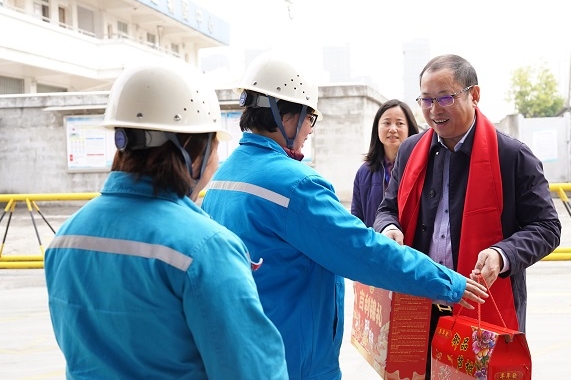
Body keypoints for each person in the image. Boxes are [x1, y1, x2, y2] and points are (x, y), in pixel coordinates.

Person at [201, 52, 488, 380]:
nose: (310, 129)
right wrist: (447, 281)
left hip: (240, 354)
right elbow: (362, 250)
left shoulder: (222, 178)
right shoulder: (294, 184)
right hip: (291, 361)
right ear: (287, 117)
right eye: (310, 117)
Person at [44, 62, 288, 380]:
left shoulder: (66, 237)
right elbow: (252, 372)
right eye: (214, 146)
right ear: (190, 149)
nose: (216, 160)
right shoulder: (206, 248)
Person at [373, 54, 562, 378]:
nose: (434, 109)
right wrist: (389, 227)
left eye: (445, 97)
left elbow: (547, 226)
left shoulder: (512, 155)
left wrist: (503, 254)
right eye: (426, 100)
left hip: (485, 307)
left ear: (474, 95)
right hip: (421, 304)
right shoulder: (410, 150)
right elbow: (387, 208)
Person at [351, 99, 419, 227]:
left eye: (399, 123)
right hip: (375, 244)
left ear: (409, 128)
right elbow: (357, 219)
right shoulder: (364, 172)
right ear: (377, 128)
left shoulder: (420, 167)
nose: (393, 129)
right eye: (387, 123)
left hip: (410, 246)